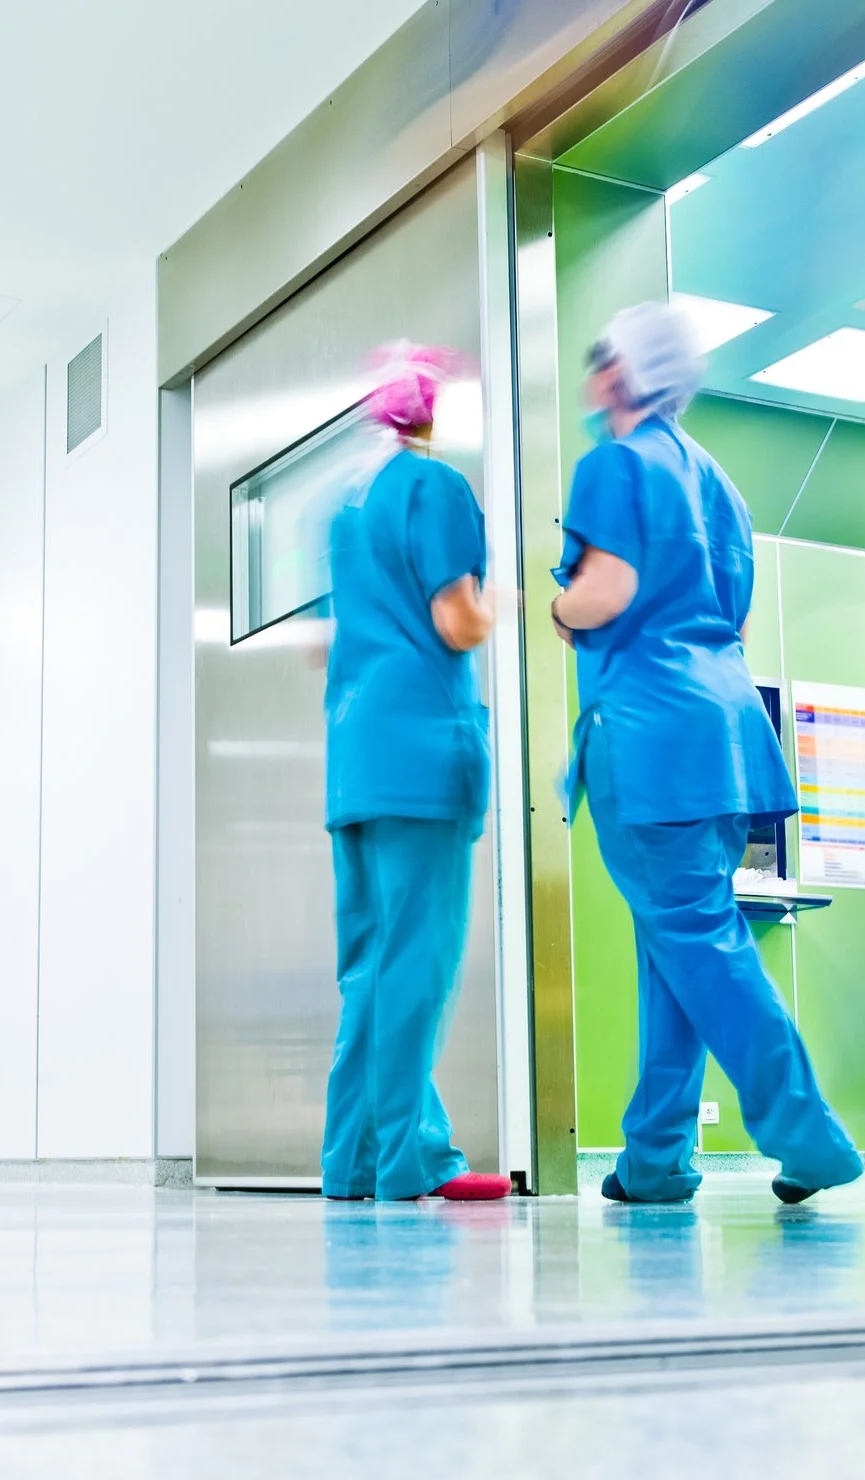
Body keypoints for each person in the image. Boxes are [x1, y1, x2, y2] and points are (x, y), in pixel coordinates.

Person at [552, 302, 862, 1207]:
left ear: (621, 375)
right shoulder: (717, 480)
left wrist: (559, 606)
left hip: (651, 741)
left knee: (701, 944)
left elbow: (605, 591)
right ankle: (653, 1159)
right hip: (724, 736)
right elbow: (731, 613)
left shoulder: (614, 463)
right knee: (676, 949)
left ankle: (809, 1137)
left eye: (598, 361)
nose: (589, 377)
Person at [319, 342, 509, 1203]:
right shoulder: (433, 487)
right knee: (416, 967)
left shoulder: (346, 511)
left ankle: (352, 1162)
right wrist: (527, 602)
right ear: (432, 410)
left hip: (356, 758)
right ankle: (406, 1162)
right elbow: (458, 619)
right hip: (422, 756)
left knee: (368, 966)